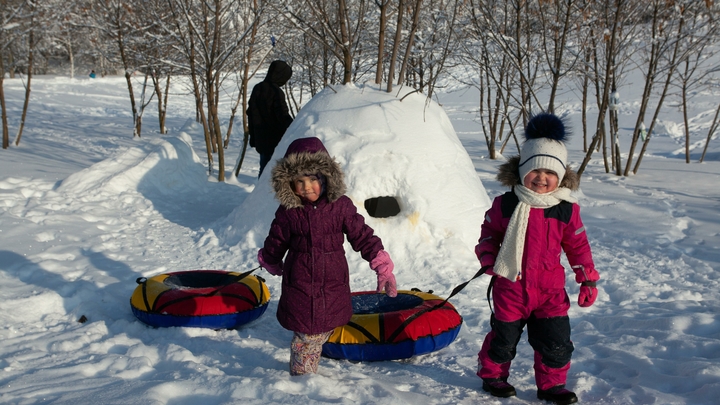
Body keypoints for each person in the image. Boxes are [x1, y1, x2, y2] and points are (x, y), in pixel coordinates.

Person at [474, 113, 599, 405]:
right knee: (503, 339)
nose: (542, 178)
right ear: (522, 171)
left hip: (550, 291)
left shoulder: (565, 209)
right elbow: (488, 235)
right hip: (511, 285)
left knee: (556, 342)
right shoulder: (506, 204)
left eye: (550, 172)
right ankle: (493, 375)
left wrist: (588, 279)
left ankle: (552, 385)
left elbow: (578, 246)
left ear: (560, 176)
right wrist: (488, 258)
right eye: (535, 171)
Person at [257, 136, 397, 376]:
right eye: (298, 181)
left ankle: (308, 360)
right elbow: (277, 239)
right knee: (307, 332)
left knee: (320, 325)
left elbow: (361, 234)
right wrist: (270, 258)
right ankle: (302, 378)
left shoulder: (340, 207)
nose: (306, 187)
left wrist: (380, 262)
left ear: (325, 177)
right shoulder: (289, 212)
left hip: (332, 282)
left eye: (312, 178)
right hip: (300, 283)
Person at [247, 60, 294, 178]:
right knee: (276, 172)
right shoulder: (276, 92)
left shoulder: (257, 88)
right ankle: (269, 195)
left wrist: (253, 137)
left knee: (264, 170)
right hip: (275, 140)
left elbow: (251, 115)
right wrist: (294, 128)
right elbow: (282, 115)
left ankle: (260, 193)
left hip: (261, 139)